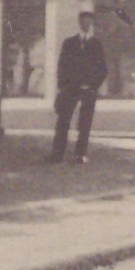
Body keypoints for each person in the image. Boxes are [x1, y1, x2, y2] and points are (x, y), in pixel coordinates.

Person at [49, 10, 108, 163]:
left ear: (92, 23)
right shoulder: (69, 43)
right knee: (63, 120)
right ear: (79, 22)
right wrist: (64, 86)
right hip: (71, 88)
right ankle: (57, 153)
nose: (86, 24)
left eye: (89, 21)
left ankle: (80, 154)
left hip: (89, 89)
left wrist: (92, 85)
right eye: (83, 21)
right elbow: (62, 65)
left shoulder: (96, 44)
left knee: (85, 123)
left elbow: (102, 69)